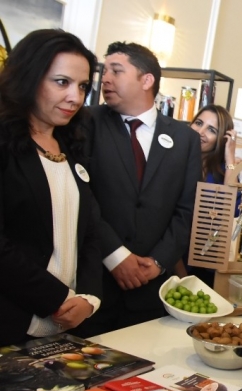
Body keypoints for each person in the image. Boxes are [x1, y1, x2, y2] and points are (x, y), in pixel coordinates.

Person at [82, 42, 201, 336]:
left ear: (146, 80)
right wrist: (116, 256)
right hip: (94, 286)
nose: (105, 78)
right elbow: (83, 198)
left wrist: (158, 262)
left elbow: (187, 210)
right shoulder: (87, 123)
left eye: (116, 71)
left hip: (152, 294)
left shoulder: (185, 139)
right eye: (104, 70)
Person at [0, 29, 102, 346]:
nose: (75, 96)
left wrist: (88, 298)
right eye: (62, 82)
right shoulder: (5, 143)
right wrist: (56, 298)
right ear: (30, 78)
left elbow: (89, 232)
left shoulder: (73, 145)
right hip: (12, 323)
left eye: (82, 86)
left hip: (68, 328)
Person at [174, 104, 240, 285]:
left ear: (221, 139)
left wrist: (230, 159)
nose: (200, 132)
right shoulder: (172, 159)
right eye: (198, 123)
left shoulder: (220, 174)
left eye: (211, 129)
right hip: (168, 254)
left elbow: (231, 210)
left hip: (202, 259)